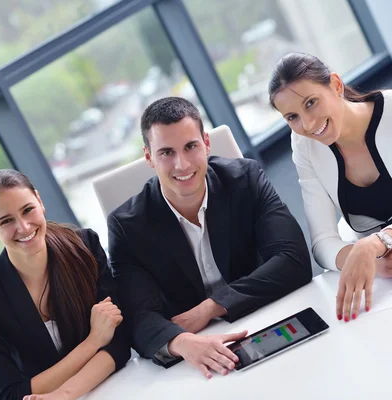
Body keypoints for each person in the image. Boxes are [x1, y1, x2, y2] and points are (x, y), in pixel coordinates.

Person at [107, 97, 312, 379]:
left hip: (263, 320)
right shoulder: (127, 227)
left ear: (206, 143)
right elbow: (139, 318)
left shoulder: (246, 178)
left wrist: (210, 307)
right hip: (194, 355)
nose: (182, 164)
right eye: (166, 152)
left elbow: (294, 260)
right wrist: (182, 342)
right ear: (148, 158)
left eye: (190, 146)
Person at [268, 52, 392, 323]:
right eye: (292, 117)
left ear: (335, 85)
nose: (307, 124)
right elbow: (321, 243)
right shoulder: (304, 146)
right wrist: (374, 263)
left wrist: (370, 247)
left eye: (311, 103)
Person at [0, 169, 130, 400]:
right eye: (6, 221)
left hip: (115, 387)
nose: (24, 227)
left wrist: (63, 394)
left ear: (40, 201)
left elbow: (119, 344)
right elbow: (11, 393)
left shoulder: (84, 246)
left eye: (28, 210)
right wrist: (93, 342)